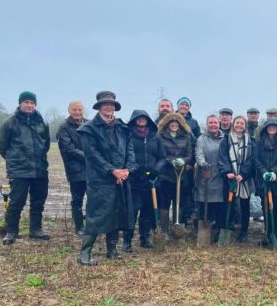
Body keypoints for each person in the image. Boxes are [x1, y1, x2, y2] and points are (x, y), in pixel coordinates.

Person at [77, 91, 136, 265]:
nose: (109, 107)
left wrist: (127, 170)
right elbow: (92, 155)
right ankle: (84, 253)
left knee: (117, 213)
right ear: (100, 107)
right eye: (105, 104)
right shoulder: (89, 129)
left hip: (121, 179)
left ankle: (112, 249)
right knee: (97, 215)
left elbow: (130, 150)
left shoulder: (122, 128)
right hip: (100, 180)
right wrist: (112, 170)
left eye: (111, 104)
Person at [0, 91, 51, 245]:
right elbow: (1, 145)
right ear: (20, 103)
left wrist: (38, 158)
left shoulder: (42, 122)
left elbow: (45, 144)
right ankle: (11, 231)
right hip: (19, 170)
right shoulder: (10, 123)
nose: (29, 105)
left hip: (40, 169)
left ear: (35, 104)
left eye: (32, 102)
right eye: (26, 102)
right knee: (16, 202)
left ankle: (36, 230)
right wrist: (15, 160)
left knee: (38, 202)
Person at [123, 110, 166, 251]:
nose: (141, 121)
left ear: (148, 120)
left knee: (147, 211)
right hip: (135, 180)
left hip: (152, 181)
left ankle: (144, 238)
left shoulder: (155, 136)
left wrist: (155, 171)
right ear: (134, 120)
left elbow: (162, 157)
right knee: (133, 211)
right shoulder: (128, 135)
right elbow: (126, 156)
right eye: (138, 119)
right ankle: (127, 241)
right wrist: (137, 170)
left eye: (144, 119)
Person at [254, 120, 277, 247]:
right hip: (263, 179)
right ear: (265, 128)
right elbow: (256, 158)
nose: (271, 128)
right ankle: (268, 234)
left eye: (274, 126)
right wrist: (264, 172)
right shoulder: (260, 141)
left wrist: (274, 172)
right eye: (269, 126)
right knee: (266, 208)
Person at [218, 116, 255, 243]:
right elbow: (223, 157)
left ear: (245, 126)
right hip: (230, 178)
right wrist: (227, 172)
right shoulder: (226, 140)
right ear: (233, 124)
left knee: (245, 206)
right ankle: (225, 228)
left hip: (244, 179)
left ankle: (244, 231)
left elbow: (251, 159)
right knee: (227, 205)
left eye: (242, 123)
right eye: (237, 123)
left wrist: (243, 174)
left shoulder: (250, 141)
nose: (239, 125)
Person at [157, 112, 195, 233]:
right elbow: (160, 154)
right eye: (171, 122)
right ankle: (164, 230)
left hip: (181, 174)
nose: (174, 124)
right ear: (167, 124)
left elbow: (189, 154)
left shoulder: (186, 136)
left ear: (180, 124)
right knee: (164, 202)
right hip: (165, 175)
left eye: (176, 123)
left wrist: (183, 160)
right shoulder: (161, 136)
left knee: (179, 201)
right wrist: (171, 161)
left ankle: (176, 229)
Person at [57, 100, 87, 235]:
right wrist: (90, 157)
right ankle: (79, 227)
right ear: (69, 111)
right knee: (77, 200)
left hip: (92, 170)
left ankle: (92, 225)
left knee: (93, 199)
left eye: (80, 110)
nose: (77, 112)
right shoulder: (64, 127)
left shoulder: (88, 124)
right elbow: (69, 149)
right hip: (75, 170)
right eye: (74, 110)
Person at [195, 115, 226, 243]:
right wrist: (203, 164)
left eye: (215, 123)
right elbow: (199, 154)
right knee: (204, 203)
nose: (213, 125)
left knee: (219, 205)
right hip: (206, 175)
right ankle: (204, 231)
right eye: (210, 123)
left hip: (221, 175)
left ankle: (217, 231)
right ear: (207, 125)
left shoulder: (225, 139)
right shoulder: (202, 139)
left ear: (218, 124)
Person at [176, 97, 199, 227]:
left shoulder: (194, 123)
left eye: (186, 105)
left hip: (187, 163)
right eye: (182, 104)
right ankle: (172, 220)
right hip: (172, 163)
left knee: (186, 193)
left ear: (189, 108)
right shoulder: (171, 119)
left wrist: (191, 163)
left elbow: (196, 143)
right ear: (178, 106)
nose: (184, 106)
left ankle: (184, 220)